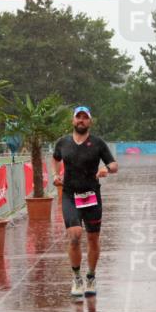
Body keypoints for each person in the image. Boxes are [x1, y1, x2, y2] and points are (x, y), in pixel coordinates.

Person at [52, 106, 117, 299]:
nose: (81, 120)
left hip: (91, 195)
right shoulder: (63, 142)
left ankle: (91, 276)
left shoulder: (97, 143)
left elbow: (114, 165)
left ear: (90, 121)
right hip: (70, 195)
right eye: (78, 117)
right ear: (73, 120)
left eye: (85, 117)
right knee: (74, 235)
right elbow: (55, 158)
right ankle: (76, 278)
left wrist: (106, 169)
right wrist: (56, 174)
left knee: (93, 239)